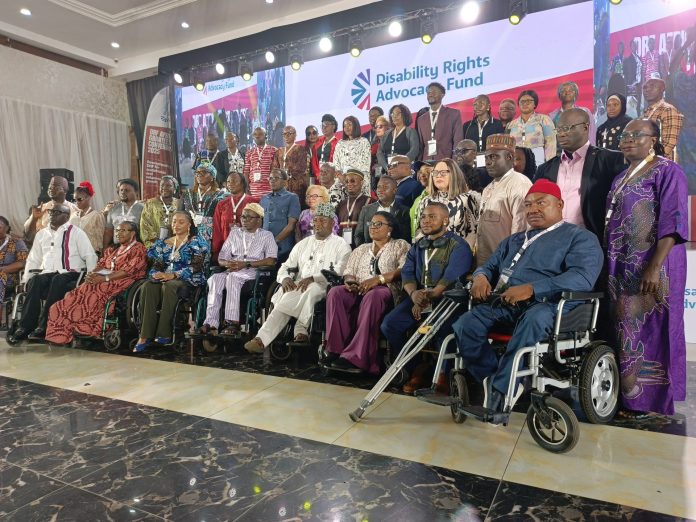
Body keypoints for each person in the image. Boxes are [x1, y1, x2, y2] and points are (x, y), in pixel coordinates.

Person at [452, 179, 603, 414]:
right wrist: (481, 277)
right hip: (506, 303)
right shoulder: (513, 240)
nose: (533, 209)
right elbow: (489, 266)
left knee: (535, 318)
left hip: (549, 305)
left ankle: (503, 390)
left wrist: (533, 288)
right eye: (528, 204)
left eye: (541, 203)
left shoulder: (580, 238)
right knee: (465, 324)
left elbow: (582, 277)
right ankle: (492, 378)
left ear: (560, 204)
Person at [606, 119, 687, 418]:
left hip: (654, 264)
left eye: (635, 135)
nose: (627, 139)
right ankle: (630, 397)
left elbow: (673, 221)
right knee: (626, 326)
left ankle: (651, 402)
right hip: (621, 264)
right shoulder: (620, 177)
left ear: (653, 139)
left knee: (652, 327)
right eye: (624, 135)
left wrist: (654, 267)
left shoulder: (668, 170)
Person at [381, 202, 473, 391]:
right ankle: (416, 368)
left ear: (445, 221)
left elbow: (450, 277)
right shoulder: (418, 246)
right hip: (419, 298)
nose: (426, 221)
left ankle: (443, 374)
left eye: (432, 217)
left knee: (442, 329)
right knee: (390, 324)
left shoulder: (459, 246)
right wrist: (413, 294)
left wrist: (428, 296)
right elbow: (407, 272)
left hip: (448, 299)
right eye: (423, 217)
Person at [244, 203, 352, 353]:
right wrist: (285, 279)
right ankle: (284, 335)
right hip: (299, 285)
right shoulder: (303, 244)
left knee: (310, 291)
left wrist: (313, 278)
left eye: (323, 220)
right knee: (286, 292)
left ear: (332, 223)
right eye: (316, 220)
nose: (318, 224)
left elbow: (340, 270)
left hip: (325, 285)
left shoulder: (341, 245)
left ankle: (282, 334)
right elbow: (285, 266)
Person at [325, 211, 410, 373]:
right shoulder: (361, 249)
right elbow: (349, 271)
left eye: (379, 224)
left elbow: (403, 270)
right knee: (336, 292)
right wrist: (350, 281)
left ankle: (357, 356)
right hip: (359, 289)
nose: (373, 227)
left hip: (385, 290)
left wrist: (378, 279)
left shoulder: (400, 245)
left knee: (374, 295)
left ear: (390, 228)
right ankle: (335, 350)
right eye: (371, 224)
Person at [45, 221, 147, 345]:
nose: (119, 233)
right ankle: (64, 327)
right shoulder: (112, 249)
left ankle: (86, 327)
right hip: (104, 279)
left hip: (123, 280)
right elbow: (101, 265)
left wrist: (105, 278)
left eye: (123, 230)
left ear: (133, 233)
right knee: (76, 294)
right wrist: (92, 274)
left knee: (95, 294)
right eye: (117, 230)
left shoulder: (139, 248)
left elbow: (128, 270)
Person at [10, 204, 97, 342]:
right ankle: (25, 327)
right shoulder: (42, 234)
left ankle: (44, 325)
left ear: (66, 217)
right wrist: (25, 280)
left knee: (58, 279)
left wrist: (90, 279)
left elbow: (90, 256)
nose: (52, 214)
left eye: (57, 212)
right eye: (51, 211)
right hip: (48, 272)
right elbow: (33, 259)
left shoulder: (76, 232)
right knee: (35, 280)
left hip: (71, 272)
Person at [535, 108, 625, 241]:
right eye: (559, 129)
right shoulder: (545, 168)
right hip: (552, 240)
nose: (562, 134)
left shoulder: (611, 160)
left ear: (585, 127)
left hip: (592, 239)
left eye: (567, 128)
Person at [133, 211, 208, 352]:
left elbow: (197, 266)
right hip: (166, 277)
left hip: (189, 279)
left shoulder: (196, 241)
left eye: (181, 222)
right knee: (148, 285)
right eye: (174, 221)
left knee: (170, 285)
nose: (176, 225)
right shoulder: (164, 243)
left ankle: (165, 333)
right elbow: (157, 265)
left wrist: (173, 275)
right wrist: (156, 274)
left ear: (189, 225)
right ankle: (145, 335)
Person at [198, 203, 277, 336]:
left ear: (259, 220)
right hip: (233, 269)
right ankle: (211, 323)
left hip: (253, 271)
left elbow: (271, 260)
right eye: (243, 217)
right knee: (215, 278)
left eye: (249, 217)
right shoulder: (235, 233)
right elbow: (221, 258)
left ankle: (232, 322)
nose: (244, 220)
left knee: (233, 278)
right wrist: (228, 263)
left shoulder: (267, 235)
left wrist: (246, 264)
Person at [476, 134, 532, 268]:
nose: (488, 162)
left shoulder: (520, 184)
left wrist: (509, 265)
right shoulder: (488, 187)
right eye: (486, 158)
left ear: (509, 157)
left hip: (505, 263)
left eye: (494, 157)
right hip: (486, 264)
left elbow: (520, 232)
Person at [415, 158, 480, 249]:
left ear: (454, 174)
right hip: (430, 253)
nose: (438, 176)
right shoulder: (425, 201)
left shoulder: (467, 199)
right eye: (435, 173)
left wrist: (463, 252)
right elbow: (419, 231)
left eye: (443, 172)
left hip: (459, 252)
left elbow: (474, 231)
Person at [211, 172, 259, 261]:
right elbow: (217, 228)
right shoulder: (222, 204)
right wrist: (216, 250)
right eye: (228, 181)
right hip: (226, 249)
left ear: (243, 183)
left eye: (234, 181)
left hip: (249, 249)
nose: (230, 184)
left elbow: (259, 226)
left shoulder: (254, 202)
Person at [179, 161, 226, 246]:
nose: (199, 174)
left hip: (211, 239)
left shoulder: (220, 195)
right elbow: (179, 214)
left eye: (204, 172)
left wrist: (203, 220)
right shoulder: (187, 194)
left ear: (212, 176)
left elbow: (222, 219)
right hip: (188, 237)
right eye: (197, 172)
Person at [260, 168, 301, 263]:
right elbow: (259, 223)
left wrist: (274, 241)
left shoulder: (292, 198)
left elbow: (291, 225)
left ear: (285, 182)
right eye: (270, 178)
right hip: (264, 246)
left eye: (276, 178)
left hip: (283, 247)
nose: (272, 180)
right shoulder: (264, 199)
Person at [355, 176, 410, 246]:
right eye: (379, 187)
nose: (380, 190)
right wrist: (365, 250)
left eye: (385, 187)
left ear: (394, 190)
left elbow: (405, 237)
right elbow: (358, 235)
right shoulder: (366, 209)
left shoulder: (404, 211)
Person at [507, 90, 557, 165]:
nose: (525, 104)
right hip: (516, 161)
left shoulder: (544, 119)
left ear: (535, 104)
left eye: (528, 101)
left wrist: (550, 165)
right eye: (522, 101)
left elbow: (551, 143)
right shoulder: (511, 124)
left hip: (538, 159)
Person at [416, 82, 463, 161]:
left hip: (446, 161)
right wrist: (420, 164)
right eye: (428, 93)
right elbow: (421, 146)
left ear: (442, 95)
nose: (430, 94)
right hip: (426, 163)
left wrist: (453, 162)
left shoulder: (453, 114)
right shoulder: (421, 119)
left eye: (434, 92)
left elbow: (458, 141)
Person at [24, 176, 78, 242]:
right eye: (50, 186)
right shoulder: (42, 208)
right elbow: (28, 235)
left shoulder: (74, 209)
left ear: (65, 191)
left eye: (56, 186)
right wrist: (33, 219)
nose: (51, 188)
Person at [640, 77, 684, 161]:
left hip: (661, 163)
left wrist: (650, 161)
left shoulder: (668, 110)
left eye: (652, 86)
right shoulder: (646, 112)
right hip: (646, 161)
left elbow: (669, 144)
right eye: (645, 87)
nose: (647, 89)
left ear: (662, 89)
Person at [548, 82, 597, 146]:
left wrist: (591, 150)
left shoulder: (585, 112)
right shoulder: (552, 116)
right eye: (563, 91)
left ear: (575, 94)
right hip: (560, 151)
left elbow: (592, 133)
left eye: (570, 90)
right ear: (559, 95)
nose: (567, 93)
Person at [333, 116, 372, 196]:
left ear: (355, 126)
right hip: (342, 179)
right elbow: (336, 162)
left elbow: (365, 163)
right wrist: (341, 176)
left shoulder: (363, 142)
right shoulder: (340, 143)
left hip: (359, 179)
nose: (347, 128)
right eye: (344, 126)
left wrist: (350, 177)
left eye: (349, 125)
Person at [377, 105, 420, 175]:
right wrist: (387, 167)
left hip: (404, 171)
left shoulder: (410, 131)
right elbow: (379, 152)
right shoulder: (387, 133)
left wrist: (400, 164)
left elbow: (414, 150)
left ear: (404, 114)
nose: (394, 116)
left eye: (397, 114)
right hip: (388, 171)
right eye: (392, 114)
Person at [271, 125, 308, 207]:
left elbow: (301, 167)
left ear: (295, 135)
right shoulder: (279, 151)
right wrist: (278, 177)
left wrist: (287, 175)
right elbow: (275, 167)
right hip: (281, 185)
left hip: (295, 185)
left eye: (289, 133)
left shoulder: (300, 149)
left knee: (294, 207)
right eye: (284, 134)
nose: (286, 136)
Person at [139, 176, 179, 249]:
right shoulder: (150, 204)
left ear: (175, 189)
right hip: (155, 245)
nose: (164, 188)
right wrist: (157, 243)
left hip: (175, 244)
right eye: (162, 185)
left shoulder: (179, 204)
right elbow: (145, 225)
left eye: (168, 185)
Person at [103, 179, 144, 249]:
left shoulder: (143, 209)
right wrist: (104, 248)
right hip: (117, 249)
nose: (123, 192)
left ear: (136, 192)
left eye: (126, 190)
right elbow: (108, 232)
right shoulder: (113, 209)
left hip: (137, 250)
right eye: (121, 190)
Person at [336, 169, 372, 248]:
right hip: (342, 247)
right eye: (347, 181)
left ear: (362, 183)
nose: (349, 184)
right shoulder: (341, 204)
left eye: (353, 181)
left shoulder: (370, 202)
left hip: (361, 247)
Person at [69, 181, 105, 254]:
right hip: (73, 253)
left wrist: (98, 255)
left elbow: (100, 239)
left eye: (79, 199)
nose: (76, 202)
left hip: (90, 253)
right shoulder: (73, 215)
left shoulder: (97, 216)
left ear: (88, 198)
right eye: (75, 200)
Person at [243, 127, 278, 198]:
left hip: (269, 190)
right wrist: (246, 188)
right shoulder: (249, 152)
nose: (257, 136)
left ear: (266, 136)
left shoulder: (274, 150)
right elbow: (246, 172)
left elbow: (275, 171)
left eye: (260, 134)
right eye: (255, 134)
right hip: (253, 191)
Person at [0, 216, 27, 305]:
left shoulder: (17, 242)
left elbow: (22, 263)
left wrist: (3, 269)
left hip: (9, 278)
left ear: (7, 228)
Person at [311, 114, 339, 180]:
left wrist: (329, 175)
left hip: (332, 178)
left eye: (326, 125)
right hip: (319, 178)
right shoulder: (318, 142)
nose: (324, 127)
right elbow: (314, 161)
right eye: (322, 125)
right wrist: (318, 174)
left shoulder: (338, 143)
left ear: (333, 126)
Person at [410, 161, 433, 238]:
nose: (422, 175)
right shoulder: (418, 199)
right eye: (420, 172)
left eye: (427, 171)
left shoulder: (440, 198)